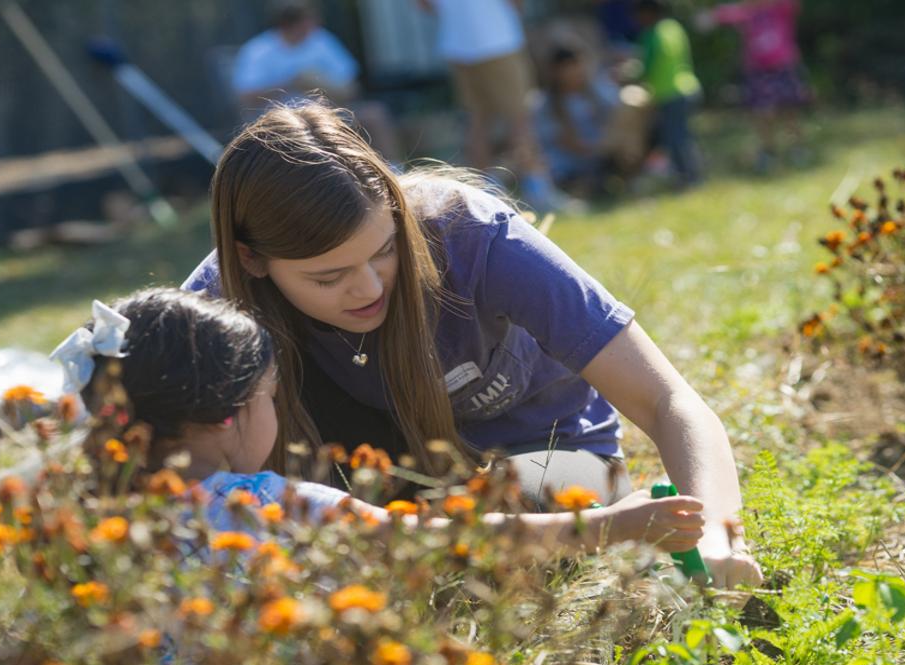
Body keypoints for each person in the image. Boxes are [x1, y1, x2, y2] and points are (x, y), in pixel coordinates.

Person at [183, 102, 763, 590]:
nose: (368, 287)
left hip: (541, 463)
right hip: (374, 490)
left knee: (506, 546)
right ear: (251, 261)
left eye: (385, 251)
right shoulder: (218, 302)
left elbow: (668, 401)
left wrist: (714, 537)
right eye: (328, 278)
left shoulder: (471, 235)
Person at [52, 288, 707, 552]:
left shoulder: (83, 533)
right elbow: (445, 544)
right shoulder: (272, 506)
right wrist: (612, 524)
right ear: (228, 415)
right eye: (271, 397)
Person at [416, 0, 567, 213]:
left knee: (476, 122)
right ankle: (538, 191)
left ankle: (486, 194)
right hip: (498, 39)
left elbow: (424, 6)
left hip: (457, 43)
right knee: (519, 118)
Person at [231, 0, 402, 162]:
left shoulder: (321, 40)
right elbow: (246, 97)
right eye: (308, 20)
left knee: (374, 114)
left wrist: (323, 85)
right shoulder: (258, 50)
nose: (315, 24)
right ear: (289, 24)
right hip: (280, 119)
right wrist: (291, 83)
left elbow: (351, 86)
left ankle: (394, 171)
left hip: (328, 111)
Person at [697, 0, 811, 171]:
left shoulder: (781, 8)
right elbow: (721, 15)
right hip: (758, 70)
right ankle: (768, 151)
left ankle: (797, 148)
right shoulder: (746, 12)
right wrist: (709, 18)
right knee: (761, 113)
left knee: (789, 111)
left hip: (783, 65)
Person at [533, 44, 622, 194]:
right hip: (569, 163)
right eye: (569, 67)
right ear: (556, 72)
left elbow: (619, 114)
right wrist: (597, 150)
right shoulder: (544, 104)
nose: (576, 71)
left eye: (578, 64)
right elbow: (567, 142)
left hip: (603, 154)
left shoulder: (597, 90)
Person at [633, 0, 704, 188]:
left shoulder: (651, 34)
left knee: (675, 139)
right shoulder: (673, 27)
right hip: (689, 87)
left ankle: (688, 178)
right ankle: (692, 176)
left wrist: (630, 75)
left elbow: (646, 66)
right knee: (683, 137)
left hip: (670, 93)